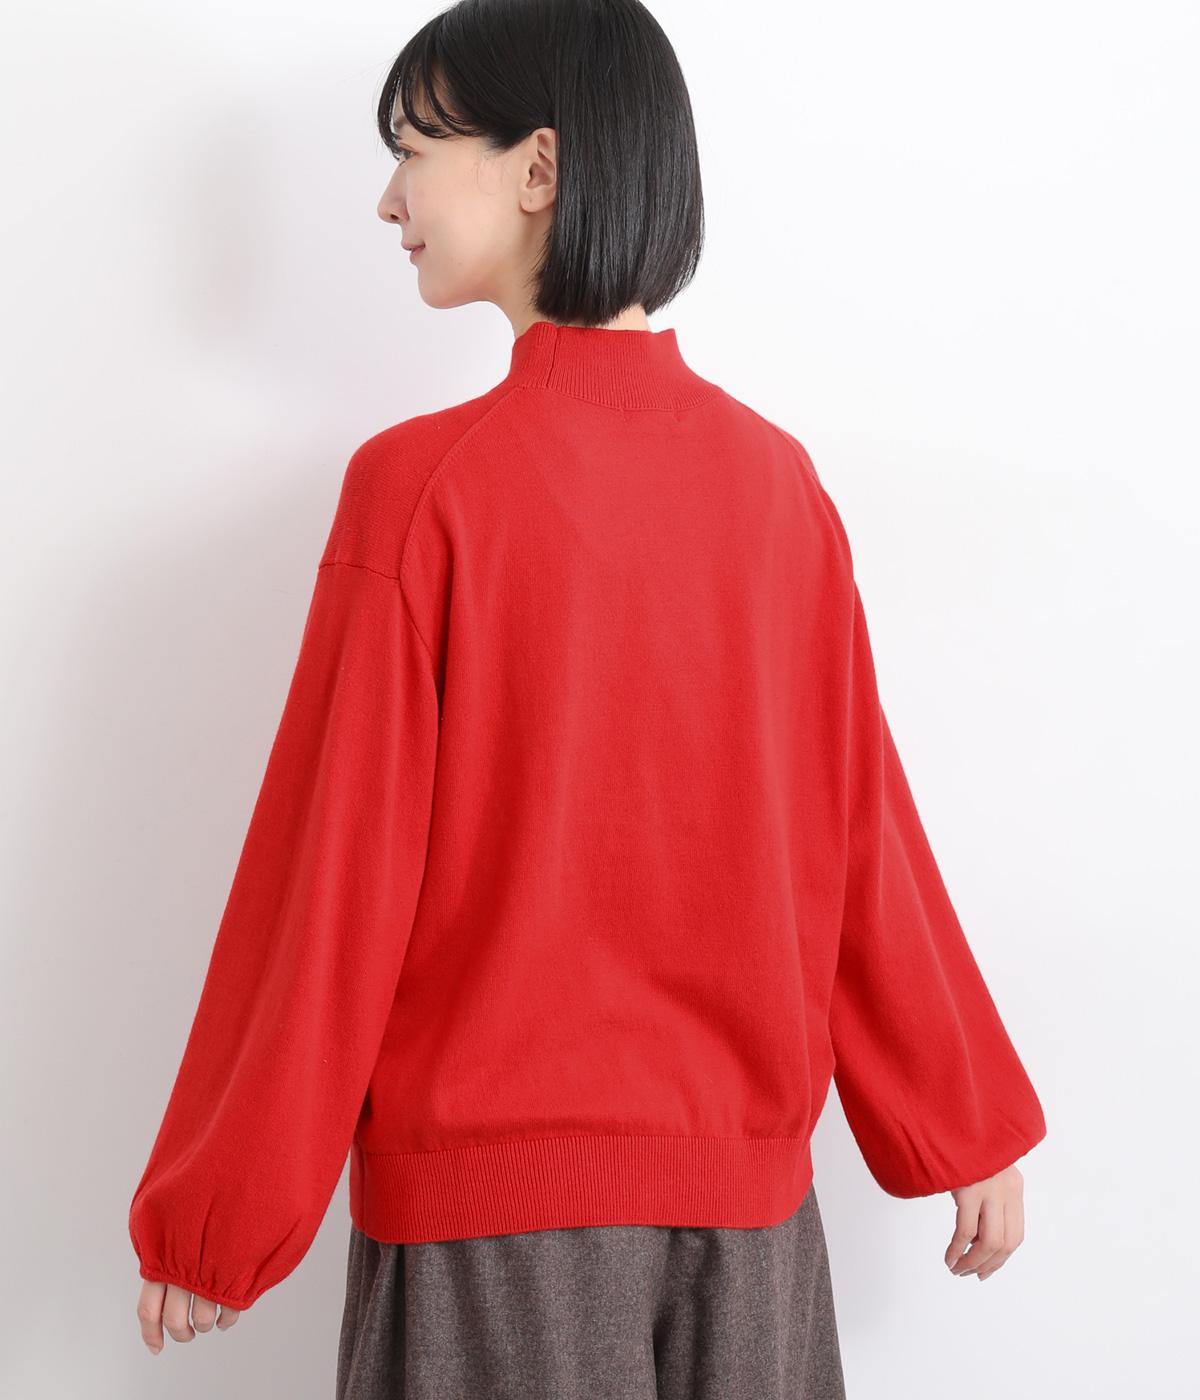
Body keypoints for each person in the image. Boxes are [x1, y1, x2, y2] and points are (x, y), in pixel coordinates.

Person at [129, 1, 1047, 1394]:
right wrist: (959, 1118)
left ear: (538, 168)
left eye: (415, 149)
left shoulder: (421, 491)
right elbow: (861, 840)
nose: (388, 199)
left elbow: (330, 882)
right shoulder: (777, 487)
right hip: (750, 1241)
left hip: (494, 1237)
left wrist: (221, 1210)